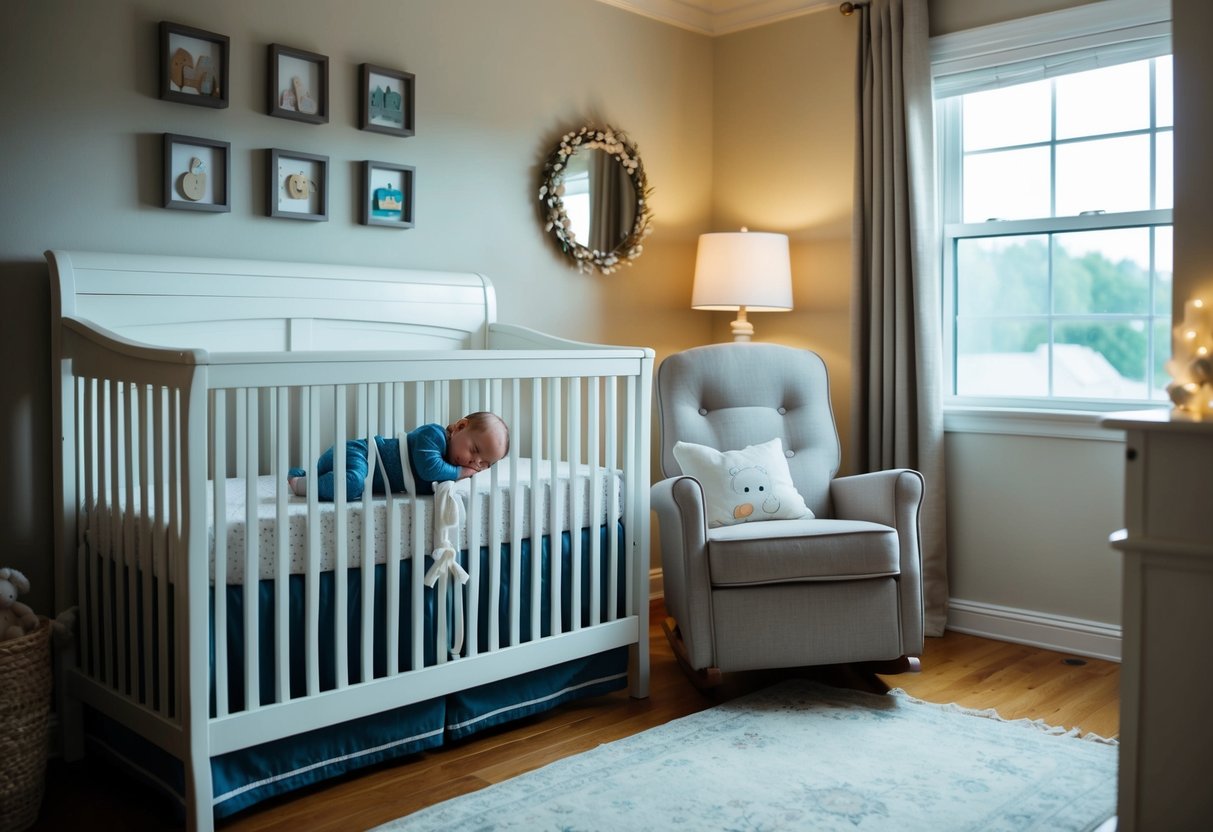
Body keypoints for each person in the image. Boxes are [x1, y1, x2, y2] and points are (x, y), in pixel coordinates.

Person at [288, 411, 509, 501]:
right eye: (474, 450)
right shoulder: (433, 435)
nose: (474, 463)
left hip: (356, 466)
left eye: (484, 464)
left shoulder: (448, 472)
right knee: (354, 482)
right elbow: (428, 468)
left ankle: (308, 475)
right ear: (460, 427)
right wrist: (461, 472)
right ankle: (300, 484)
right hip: (360, 453)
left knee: (354, 481)